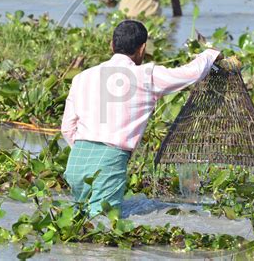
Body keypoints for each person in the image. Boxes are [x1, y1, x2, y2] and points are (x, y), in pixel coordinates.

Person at [61, 20, 221, 216]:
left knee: (79, 219)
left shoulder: (82, 77)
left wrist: (87, 152)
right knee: (102, 224)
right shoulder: (146, 75)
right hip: (110, 159)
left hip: (77, 159)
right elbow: (191, 73)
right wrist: (210, 54)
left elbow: (67, 128)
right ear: (142, 48)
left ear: (112, 45)